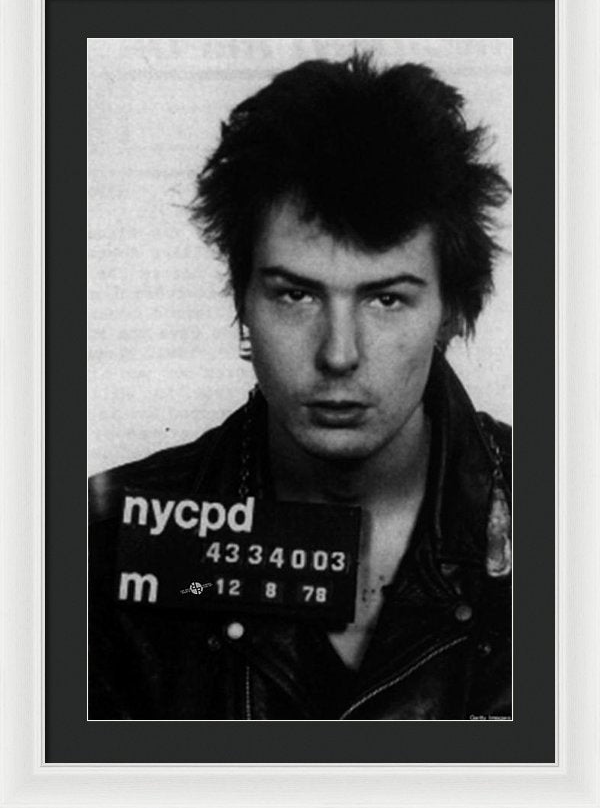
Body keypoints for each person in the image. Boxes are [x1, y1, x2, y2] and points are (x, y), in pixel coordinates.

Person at [89, 52, 512, 720]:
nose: (339, 354)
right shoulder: (99, 544)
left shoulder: (573, 520)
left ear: (450, 312)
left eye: (387, 299)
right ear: (242, 302)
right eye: (295, 295)